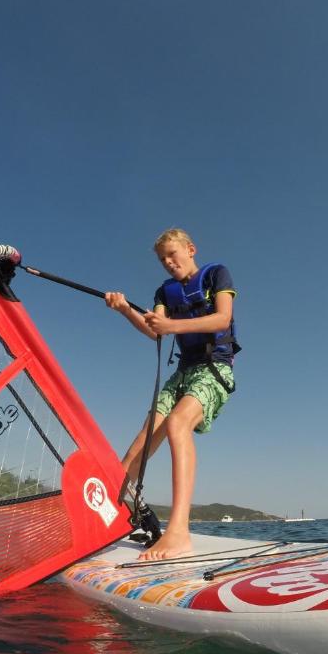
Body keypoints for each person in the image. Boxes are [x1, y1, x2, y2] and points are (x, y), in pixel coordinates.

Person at [105, 228, 239, 560]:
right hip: (182, 373)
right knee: (141, 443)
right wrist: (124, 310)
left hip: (214, 369)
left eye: (172, 254)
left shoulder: (216, 274)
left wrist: (173, 328)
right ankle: (106, 514)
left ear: (190, 249)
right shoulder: (164, 292)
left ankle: (179, 531)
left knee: (179, 425)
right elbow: (154, 330)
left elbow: (223, 318)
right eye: (162, 259)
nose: (167, 262)